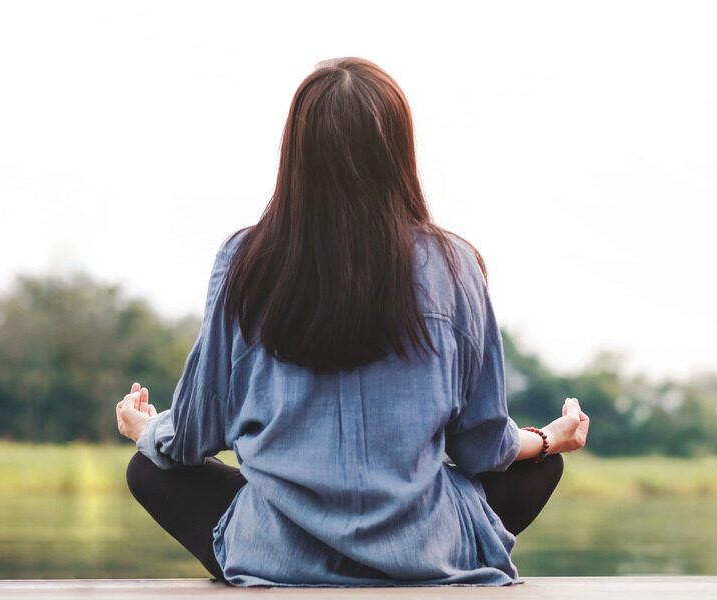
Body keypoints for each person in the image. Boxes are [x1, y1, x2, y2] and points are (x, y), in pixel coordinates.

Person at [114, 57, 590, 587]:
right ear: (398, 152)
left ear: (296, 151)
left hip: (276, 552)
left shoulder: (244, 259)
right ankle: (422, 561)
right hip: (426, 549)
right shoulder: (454, 265)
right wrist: (546, 442)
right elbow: (483, 447)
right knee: (538, 469)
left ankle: (285, 558)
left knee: (149, 469)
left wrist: (148, 430)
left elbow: (194, 435)